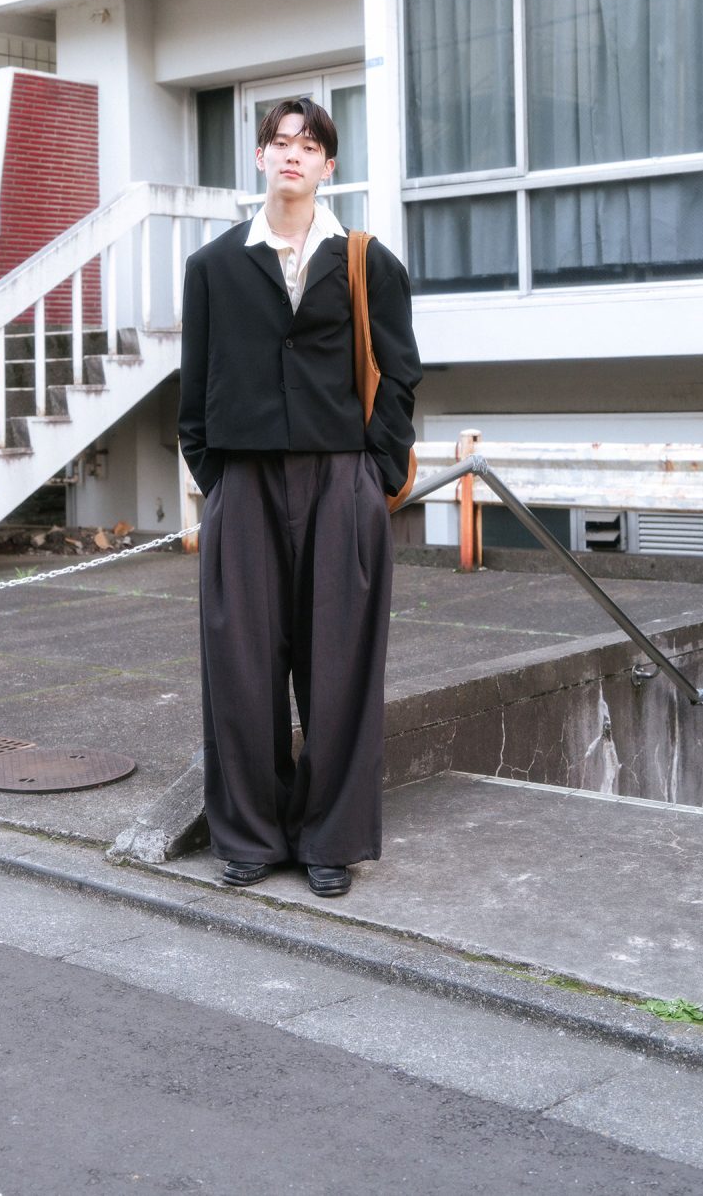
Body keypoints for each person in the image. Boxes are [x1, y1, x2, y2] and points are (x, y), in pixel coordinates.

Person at [178, 97, 422, 897]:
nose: (293, 154)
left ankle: (330, 839)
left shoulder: (367, 261)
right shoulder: (213, 266)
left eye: (309, 144)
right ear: (259, 158)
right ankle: (249, 834)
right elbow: (194, 389)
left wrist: (373, 472)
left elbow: (401, 374)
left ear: (328, 165)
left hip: (341, 480)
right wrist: (218, 480)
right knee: (241, 666)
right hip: (243, 482)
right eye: (280, 141)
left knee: (341, 667)